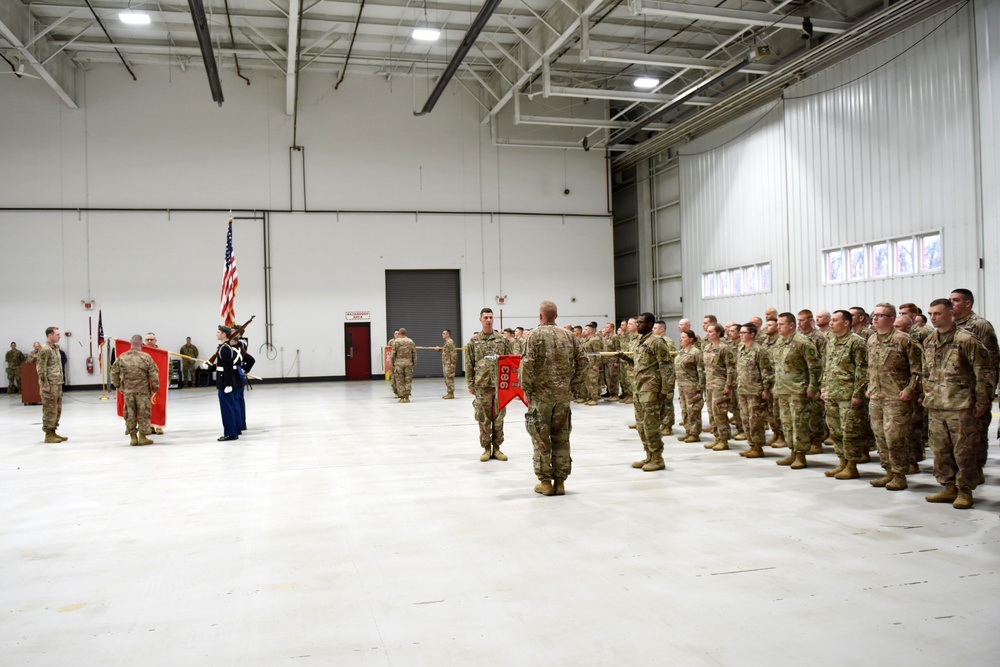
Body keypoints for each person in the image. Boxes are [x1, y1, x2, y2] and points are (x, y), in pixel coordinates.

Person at [922, 298, 991, 509]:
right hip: (936, 405)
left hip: (961, 405)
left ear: (951, 314)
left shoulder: (967, 340)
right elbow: (926, 372)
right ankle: (948, 486)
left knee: (964, 452)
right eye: (931, 313)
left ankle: (965, 490)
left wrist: (982, 402)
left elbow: (984, 373)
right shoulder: (929, 341)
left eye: (938, 313)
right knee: (940, 451)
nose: (933, 317)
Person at [520, 300, 588, 496]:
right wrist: (573, 385)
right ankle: (560, 482)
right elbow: (583, 361)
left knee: (541, 439)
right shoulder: (568, 335)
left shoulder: (534, 335)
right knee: (561, 438)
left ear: (540, 316)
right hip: (562, 397)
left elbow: (527, 364)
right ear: (556, 316)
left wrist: (527, 389)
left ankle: (545, 482)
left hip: (541, 397)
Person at [864, 304, 920, 489]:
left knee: (895, 438)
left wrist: (910, 389)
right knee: (880, 436)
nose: (875, 318)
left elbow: (918, 369)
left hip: (896, 397)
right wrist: (870, 385)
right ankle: (888, 471)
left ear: (891, 319)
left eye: (881, 315)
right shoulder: (872, 339)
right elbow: (870, 367)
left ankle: (900, 475)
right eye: (874, 315)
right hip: (877, 396)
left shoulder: (904, 340)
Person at [949, 288, 999, 479]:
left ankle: (976, 472)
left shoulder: (980, 325)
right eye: (950, 300)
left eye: (956, 300)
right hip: (954, 393)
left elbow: (991, 362)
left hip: (974, 390)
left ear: (967, 303)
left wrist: (985, 395)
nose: (952, 303)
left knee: (976, 435)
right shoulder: (950, 325)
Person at [620, 312, 674, 471]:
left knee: (651, 426)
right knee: (641, 426)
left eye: (641, 323)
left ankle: (657, 458)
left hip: (651, 390)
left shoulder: (657, 342)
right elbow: (641, 365)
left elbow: (666, 367)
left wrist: (665, 389)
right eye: (637, 322)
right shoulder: (639, 341)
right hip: (639, 389)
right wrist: (625, 358)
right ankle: (649, 455)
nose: (638, 325)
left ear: (650, 324)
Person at [820, 310, 869, 481]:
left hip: (848, 395)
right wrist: (824, 388)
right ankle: (841, 462)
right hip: (833, 393)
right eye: (831, 320)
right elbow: (828, 366)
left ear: (846, 323)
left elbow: (862, 370)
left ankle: (852, 466)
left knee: (850, 432)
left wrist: (858, 393)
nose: (831, 323)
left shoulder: (857, 342)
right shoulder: (831, 340)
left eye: (835, 320)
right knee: (835, 431)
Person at [773, 312, 821, 469]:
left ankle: (801, 455)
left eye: (781, 324)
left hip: (798, 390)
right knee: (786, 423)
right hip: (783, 389)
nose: (778, 327)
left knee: (799, 423)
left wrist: (813, 387)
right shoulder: (780, 341)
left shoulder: (802, 342)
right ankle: (793, 451)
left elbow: (815, 366)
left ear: (791, 325)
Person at [465, 308, 509, 462]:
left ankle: (497, 448)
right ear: (480, 320)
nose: (489, 320)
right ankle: (486, 448)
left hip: (499, 385)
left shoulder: (502, 340)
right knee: (483, 418)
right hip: (482, 386)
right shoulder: (474, 341)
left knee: (499, 418)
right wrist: (470, 384)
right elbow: (469, 363)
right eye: (486, 317)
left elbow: (510, 361)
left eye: (491, 317)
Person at [110, 334, 160, 446]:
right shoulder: (146, 357)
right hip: (143, 391)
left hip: (128, 391)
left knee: (130, 413)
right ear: (141, 344)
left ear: (130, 344)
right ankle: (142, 437)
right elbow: (154, 374)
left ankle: (133, 438)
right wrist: (154, 388)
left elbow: (114, 372)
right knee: (143, 413)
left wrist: (118, 386)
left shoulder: (122, 357)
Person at [736, 323, 774, 458]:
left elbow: (766, 371)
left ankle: (758, 447)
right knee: (745, 419)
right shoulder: (741, 348)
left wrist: (766, 388)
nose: (741, 335)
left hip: (755, 391)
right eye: (740, 332)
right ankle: (751, 445)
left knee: (755, 420)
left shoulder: (759, 350)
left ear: (752, 334)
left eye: (743, 333)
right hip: (743, 389)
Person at [36, 326, 67, 443]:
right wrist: (45, 384)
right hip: (50, 384)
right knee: (49, 409)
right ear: (50, 335)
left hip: (57, 383)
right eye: (57, 334)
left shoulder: (54, 348)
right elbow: (41, 368)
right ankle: (48, 435)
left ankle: (53, 431)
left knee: (57, 409)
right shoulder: (45, 349)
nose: (59, 336)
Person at [675, 329, 705, 443]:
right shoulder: (681, 351)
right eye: (681, 337)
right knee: (684, 409)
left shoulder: (696, 352)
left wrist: (700, 386)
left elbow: (701, 370)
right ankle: (688, 431)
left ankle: (694, 433)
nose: (681, 339)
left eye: (683, 337)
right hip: (682, 385)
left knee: (693, 410)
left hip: (692, 385)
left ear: (691, 339)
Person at [214, 325, 242, 441]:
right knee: (229, 408)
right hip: (225, 382)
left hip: (225, 383)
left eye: (218, 332)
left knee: (227, 409)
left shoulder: (225, 348)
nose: (216, 334)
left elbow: (228, 367)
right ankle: (233, 431)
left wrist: (228, 384)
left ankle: (230, 433)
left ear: (224, 334)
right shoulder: (224, 347)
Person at [652, 320, 678, 434]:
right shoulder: (655, 341)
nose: (653, 330)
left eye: (655, 328)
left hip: (667, 375)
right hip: (658, 374)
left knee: (667, 400)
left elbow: (669, 360)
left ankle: (668, 425)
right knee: (660, 401)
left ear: (662, 329)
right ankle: (662, 422)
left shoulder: (667, 341)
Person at [142, 332, 164, 434]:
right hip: (144, 384)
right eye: (148, 340)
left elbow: (168, 367)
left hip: (159, 383)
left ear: (156, 341)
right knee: (146, 406)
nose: (150, 341)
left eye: (152, 339)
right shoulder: (141, 353)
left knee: (159, 404)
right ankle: (150, 426)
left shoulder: (162, 352)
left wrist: (167, 380)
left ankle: (159, 426)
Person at [390, 328, 417, 403]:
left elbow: (392, 353)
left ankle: (401, 397)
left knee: (399, 380)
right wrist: (414, 362)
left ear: (399, 333)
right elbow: (414, 353)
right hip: (408, 363)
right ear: (405, 333)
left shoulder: (396, 341)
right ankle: (407, 397)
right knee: (408, 380)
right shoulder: (410, 341)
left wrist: (391, 362)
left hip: (399, 364)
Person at [435, 329, 457, 399]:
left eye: (444, 333)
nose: (442, 334)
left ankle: (451, 393)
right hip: (446, 363)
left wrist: (453, 362)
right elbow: (446, 351)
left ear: (448, 334)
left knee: (449, 378)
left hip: (449, 363)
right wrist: (439, 349)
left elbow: (453, 353)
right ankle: (449, 392)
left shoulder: (450, 342)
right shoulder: (447, 342)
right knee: (447, 378)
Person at [601, 322, 620, 402]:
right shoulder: (605, 338)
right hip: (606, 361)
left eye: (608, 327)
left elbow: (618, 349)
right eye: (605, 327)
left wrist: (617, 361)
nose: (606, 328)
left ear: (612, 328)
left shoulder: (615, 337)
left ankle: (615, 394)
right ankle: (610, 393)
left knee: (613, 378)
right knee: (607, 378)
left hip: (612, 361)